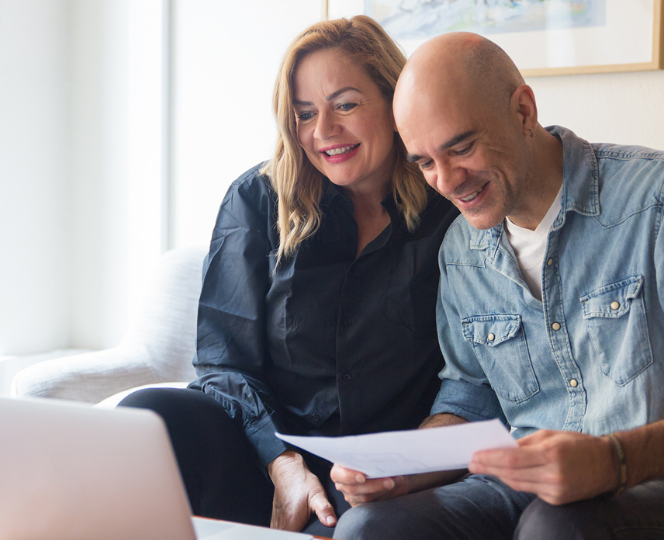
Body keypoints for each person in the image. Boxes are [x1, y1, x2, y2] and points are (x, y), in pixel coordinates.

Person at [331, 32, 664, 540]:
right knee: (367, 528)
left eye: (461, 147)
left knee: (557, 528)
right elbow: (471, 401)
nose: (447, 181)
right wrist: (401, 469)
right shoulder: (460, 251)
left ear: (522, 110)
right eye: (424, 162)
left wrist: (613, 461)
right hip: (528, 492)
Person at [120, 16, 458, 537]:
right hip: (267, 453)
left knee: (352, 527)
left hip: (377, 471)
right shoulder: (257, 199)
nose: (323, 131)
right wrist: (283, 463)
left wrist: (404, 466)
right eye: (304, 114)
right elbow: (224, 362)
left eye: (345, 104)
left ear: (395, 103)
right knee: (150, 413)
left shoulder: (450, 210)